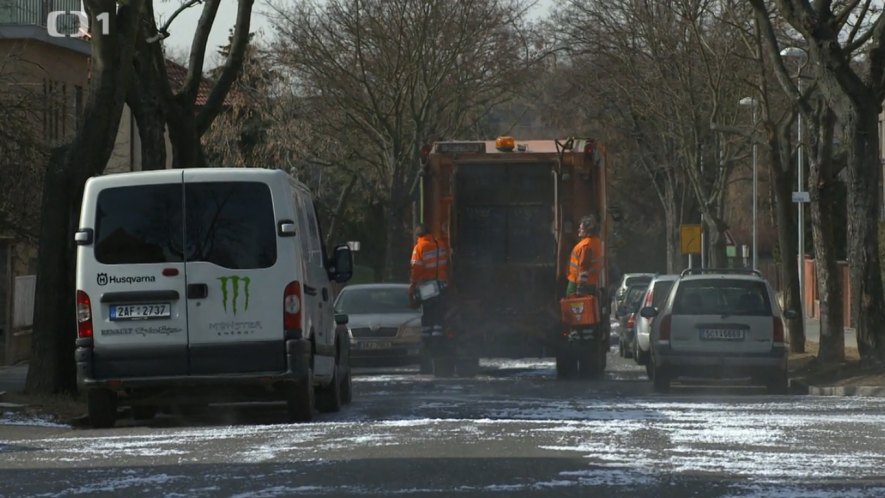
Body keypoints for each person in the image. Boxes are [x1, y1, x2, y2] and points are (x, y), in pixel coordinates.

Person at [409, 224, 449, 336]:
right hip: (441, 284)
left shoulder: (419, 247)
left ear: (418, 236)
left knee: (427, 314)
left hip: (427, 285)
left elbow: (415, 270)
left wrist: (412, 288)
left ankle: (427, 340)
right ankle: (438, 338)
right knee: (438, 313)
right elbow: (446, 262)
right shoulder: (440, 245)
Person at [566, 215, 603, 296]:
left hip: (578, 283)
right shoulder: (596, 242)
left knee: (572, 306)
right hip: (590, 283)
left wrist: (580, 287)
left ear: (588, 230)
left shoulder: (586, 246)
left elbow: (584, 266)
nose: (579, 230)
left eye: (581, 228)